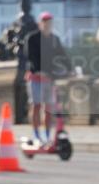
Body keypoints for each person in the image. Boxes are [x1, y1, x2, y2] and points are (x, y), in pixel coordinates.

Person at [25, 12, 70, 143]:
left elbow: (62, 54)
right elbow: (31, 56)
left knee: (49, 107)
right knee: (36, 105)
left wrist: (70, 69)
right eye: (44, 22)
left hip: (50, 78)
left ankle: (47, 134)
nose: (47, 24)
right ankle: (36, 134)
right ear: (40, 24)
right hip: (36, 77)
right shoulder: (32, 38)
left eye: (49, 22)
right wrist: (39, 70)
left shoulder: (54, 39)